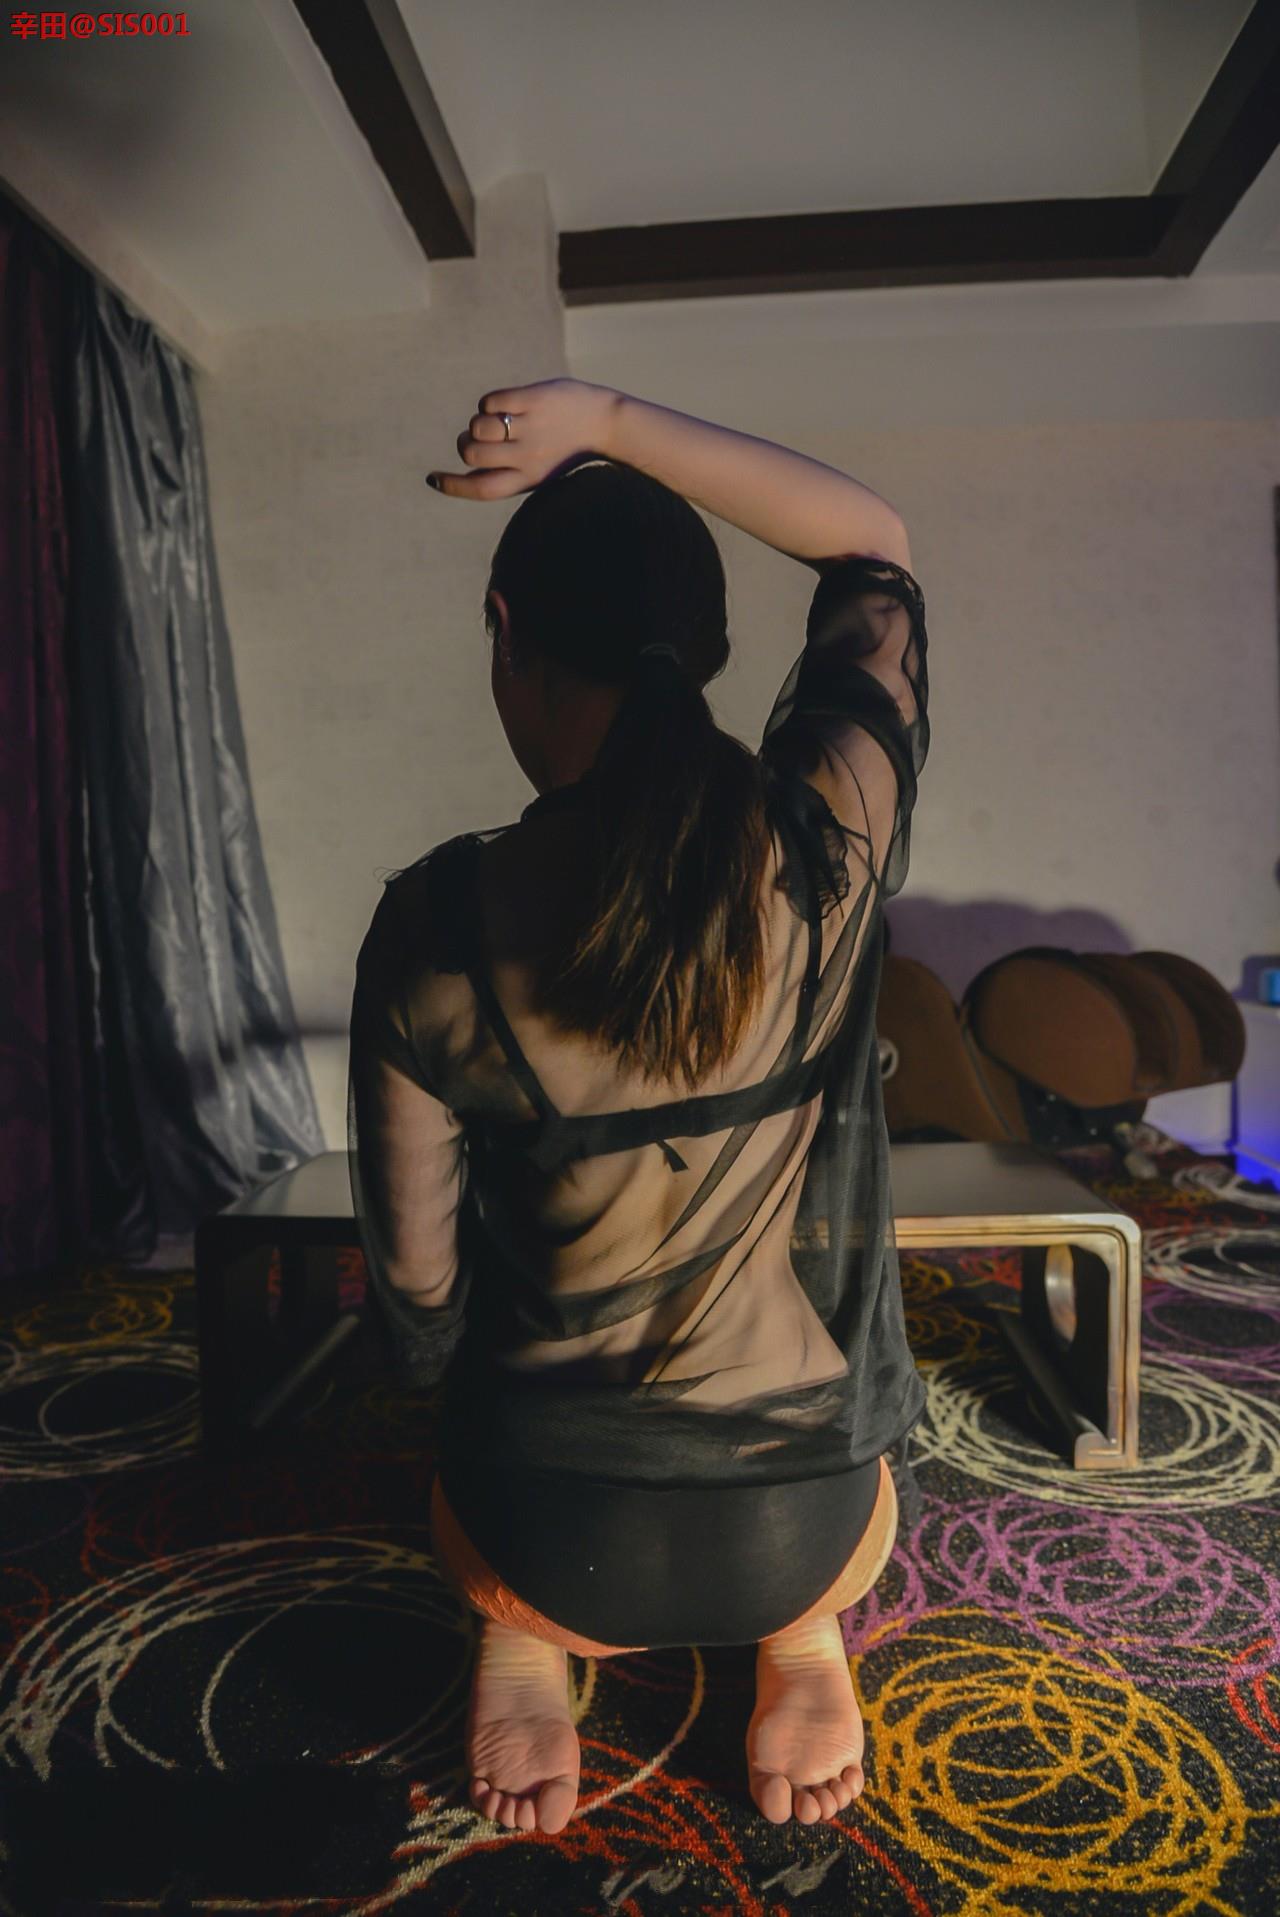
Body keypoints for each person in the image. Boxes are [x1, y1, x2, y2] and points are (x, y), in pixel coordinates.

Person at [347, 379, 930, 1836]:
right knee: (820, 1501)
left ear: (505, 629)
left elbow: (419, 1294)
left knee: (474, 1414)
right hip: (803, 1512)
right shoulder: (832, 838)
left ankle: (522, 1632)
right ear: (713, 649)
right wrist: (604, 417)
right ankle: (803, 1632)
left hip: (548, 1523)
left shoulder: (436, 924)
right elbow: (873, 546)